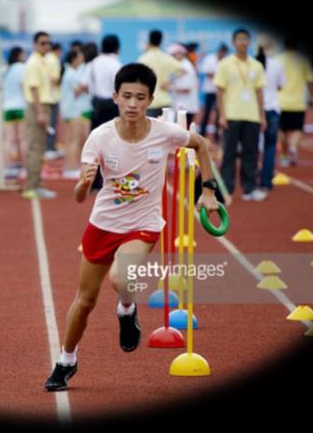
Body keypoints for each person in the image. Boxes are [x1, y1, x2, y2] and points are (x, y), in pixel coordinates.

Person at [44, 63, 220, 391]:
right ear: (115, 97)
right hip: (103, 224)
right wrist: (83, 184)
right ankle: (66, 360)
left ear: (150, 99)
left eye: (140, 97)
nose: (133, 103)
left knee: (121, 277)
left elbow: (202, 146)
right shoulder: (99, 137)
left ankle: (126, 309)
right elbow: (79, 197)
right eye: (127, 96)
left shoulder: (166, 133)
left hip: (143, 224)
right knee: (85, 301)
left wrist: (207, 192)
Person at [215, 28, 267, 201]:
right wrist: (221, 115)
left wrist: (262, 116)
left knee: (250, 153)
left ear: (249, 42)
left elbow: (260, 93)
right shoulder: (225, 64)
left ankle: (249, 188)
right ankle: (225, 189)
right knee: (229, 153)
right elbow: (219, 92)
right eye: (239, 39)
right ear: (233, 42)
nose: (242, 42)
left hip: (251, 115)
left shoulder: (257, 65)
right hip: (231, 115)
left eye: (245, 39)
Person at [79, 34, 122, 191]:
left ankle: (93, 181)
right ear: (117, 48)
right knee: (113, 144)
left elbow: (83, 85)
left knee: (95, 144)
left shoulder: (93, 63)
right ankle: (110, 181)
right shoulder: (116, 63)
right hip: (112, 106)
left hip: (96, 106)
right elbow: (121, 87)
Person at [22, 31, 57, 200]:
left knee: (39, 147)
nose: (46, 46)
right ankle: (32, 186)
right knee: (35, 148)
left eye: (48, 43)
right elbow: (33, 89)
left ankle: (36, 184)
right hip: (38, 106)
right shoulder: (34, 63)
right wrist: (41, 113)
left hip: (42, 105)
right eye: (42, 43)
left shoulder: (42, 62)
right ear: (35, 44)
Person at [276, 38, 313, 166]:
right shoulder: (303, 60)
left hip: (280, 101)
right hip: (298, 101)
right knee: (298, 128)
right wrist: (311, 97)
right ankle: (293, 145)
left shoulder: (277, 59)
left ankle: (284, 156)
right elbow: (310, 80)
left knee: (282, 129)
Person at [255, 41, 286, 195]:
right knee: (270, 147)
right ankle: (266, 182)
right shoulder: (277, 64)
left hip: (254, 109)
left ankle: (251, 180)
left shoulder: (252, 62)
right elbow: (281, 86)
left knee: (251, 146)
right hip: (272, 108)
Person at [137, 30, 184, 118]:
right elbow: (182, 70)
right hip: (164, 101)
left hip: (149, 101)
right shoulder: (165, 57)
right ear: (161, 41)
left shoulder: (143, 59)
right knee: (165, 131)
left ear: (149, 41)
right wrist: (169, 81)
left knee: (149, 131)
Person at [59, 49, 90, 179]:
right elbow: (78, 90)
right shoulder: (72, 74)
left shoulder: (70, 72)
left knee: (70, 140)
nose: (81, 60)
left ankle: (69, 166)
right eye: (79, 58)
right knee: (74, 140)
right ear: (73, 60)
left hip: (69, 110)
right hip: (72, 111)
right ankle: (71, 168)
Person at [1, 46, 28, 177]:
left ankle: (7, 168)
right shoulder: (21, 68)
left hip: (7, 107)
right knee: (22, 139)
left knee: (8, 140)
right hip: (20, 106)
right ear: (18, 55)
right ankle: (24, 168)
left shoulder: (5, 69)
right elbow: (24, 86)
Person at [199, 43, 229, 141]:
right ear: (218, 51)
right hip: (210, 90)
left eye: (224, 53)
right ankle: (202, 133)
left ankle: (217, 135)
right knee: (207, 111)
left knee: (219, 113)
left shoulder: (226, 61)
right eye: (221, 52)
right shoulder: (209, 58)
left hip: (221, 91)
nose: (222, 54)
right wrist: (220, 78)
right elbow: (208, 73)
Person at [167, 43, 200, 127]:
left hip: (186, 106)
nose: (172, 57)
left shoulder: (186, 66)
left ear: (181, 54)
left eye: (174, 55)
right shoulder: (180, 66)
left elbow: (186, 89)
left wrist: (169, 87)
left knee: (184, 131)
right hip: (182, 105)